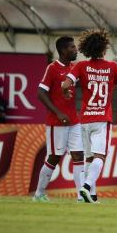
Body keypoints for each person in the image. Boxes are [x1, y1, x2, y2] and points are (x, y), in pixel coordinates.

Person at [62, 29, 117, 203]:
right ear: (104, 48)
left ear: (87, 48)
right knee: (100, 156)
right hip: (102, 119)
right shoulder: (112, 67)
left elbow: (65, 84)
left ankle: (90, 196)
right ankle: (86, 186)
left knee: (89, 158)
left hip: (85, 119)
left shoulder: (81, 66)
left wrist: (67, 92)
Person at [33, 36, 84, 203]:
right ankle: (39, 193)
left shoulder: (74, 68)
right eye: (72, 47)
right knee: (54, 157)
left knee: (78, 156)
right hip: (57, 123)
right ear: (63, 50)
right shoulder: (52, 68)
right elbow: (41, 93)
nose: (75, 50)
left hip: (74, 122)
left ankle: (80, 196)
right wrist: (58, 113)